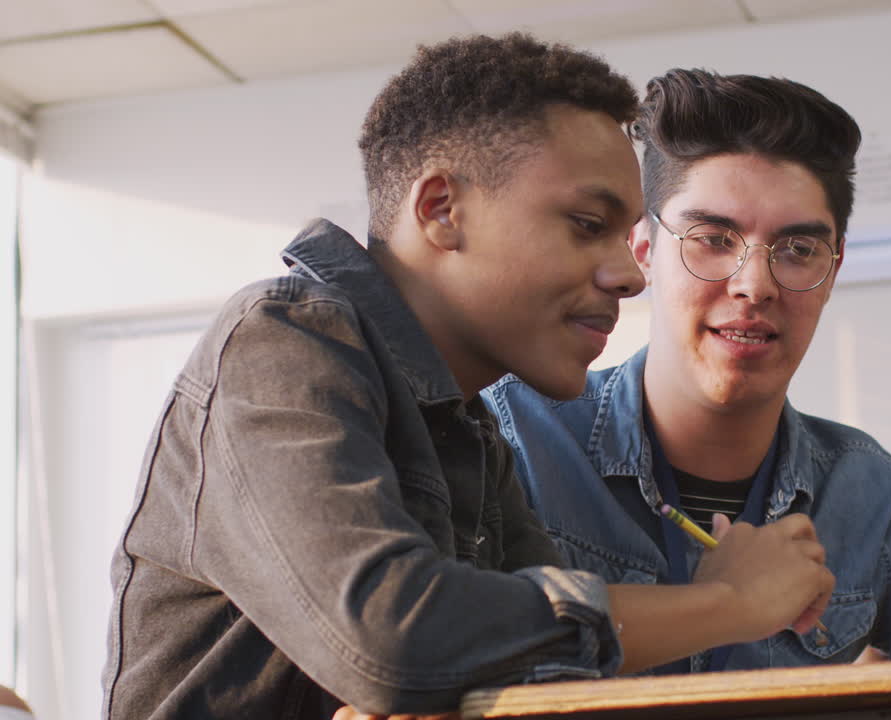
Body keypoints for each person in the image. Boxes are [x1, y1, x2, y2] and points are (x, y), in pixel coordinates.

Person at [103, 38, 835, 720]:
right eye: (587, 224)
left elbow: (547, 673)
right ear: (441, 211)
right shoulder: (281, 345)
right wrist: (732, 601)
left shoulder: (469, 425)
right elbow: (392, 638)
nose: (627, 275)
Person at [483, 68, 891, 671]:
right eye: (713, 238)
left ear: (835, 265)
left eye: (798, 250)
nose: (754, 285)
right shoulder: (510, 441)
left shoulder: (863, 493)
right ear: (642, 246)